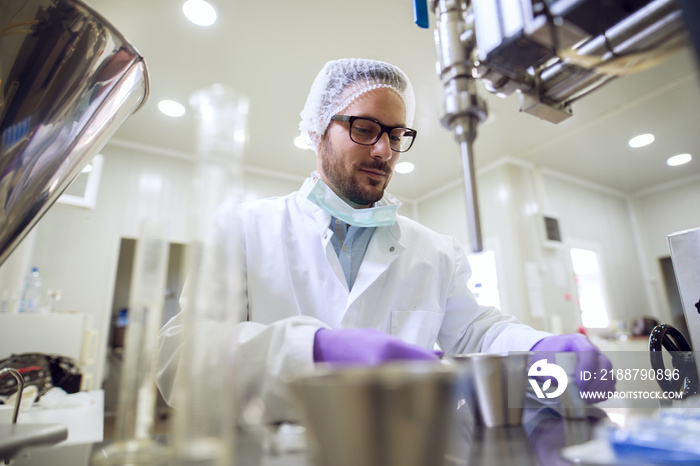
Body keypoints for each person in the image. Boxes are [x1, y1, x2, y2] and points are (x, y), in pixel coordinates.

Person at [156, 58, 613, 423]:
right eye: (365, 128)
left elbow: (474, 333)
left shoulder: (435, 251)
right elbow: (184, 359)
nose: (384, 151)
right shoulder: (243, 229)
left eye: (396, 135)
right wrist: (315, 352)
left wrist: (536, 349)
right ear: (318, 130)